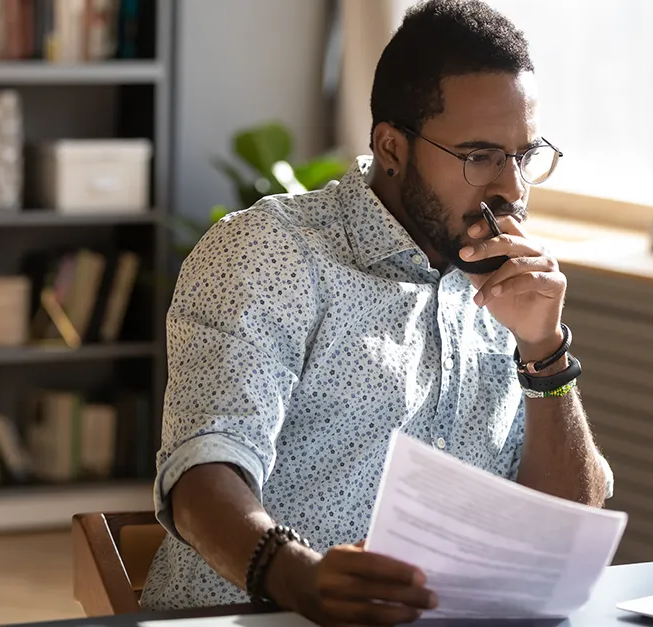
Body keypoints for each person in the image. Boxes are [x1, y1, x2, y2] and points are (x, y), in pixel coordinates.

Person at [140, 1, 613, 624]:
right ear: (391, 146)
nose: (512, 190)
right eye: (480, 156)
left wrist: (544, 352)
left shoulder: (508, 286)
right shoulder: (270, 252)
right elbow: (203, 469)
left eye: (523, 156)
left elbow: (572, 524)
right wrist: (297, 578)